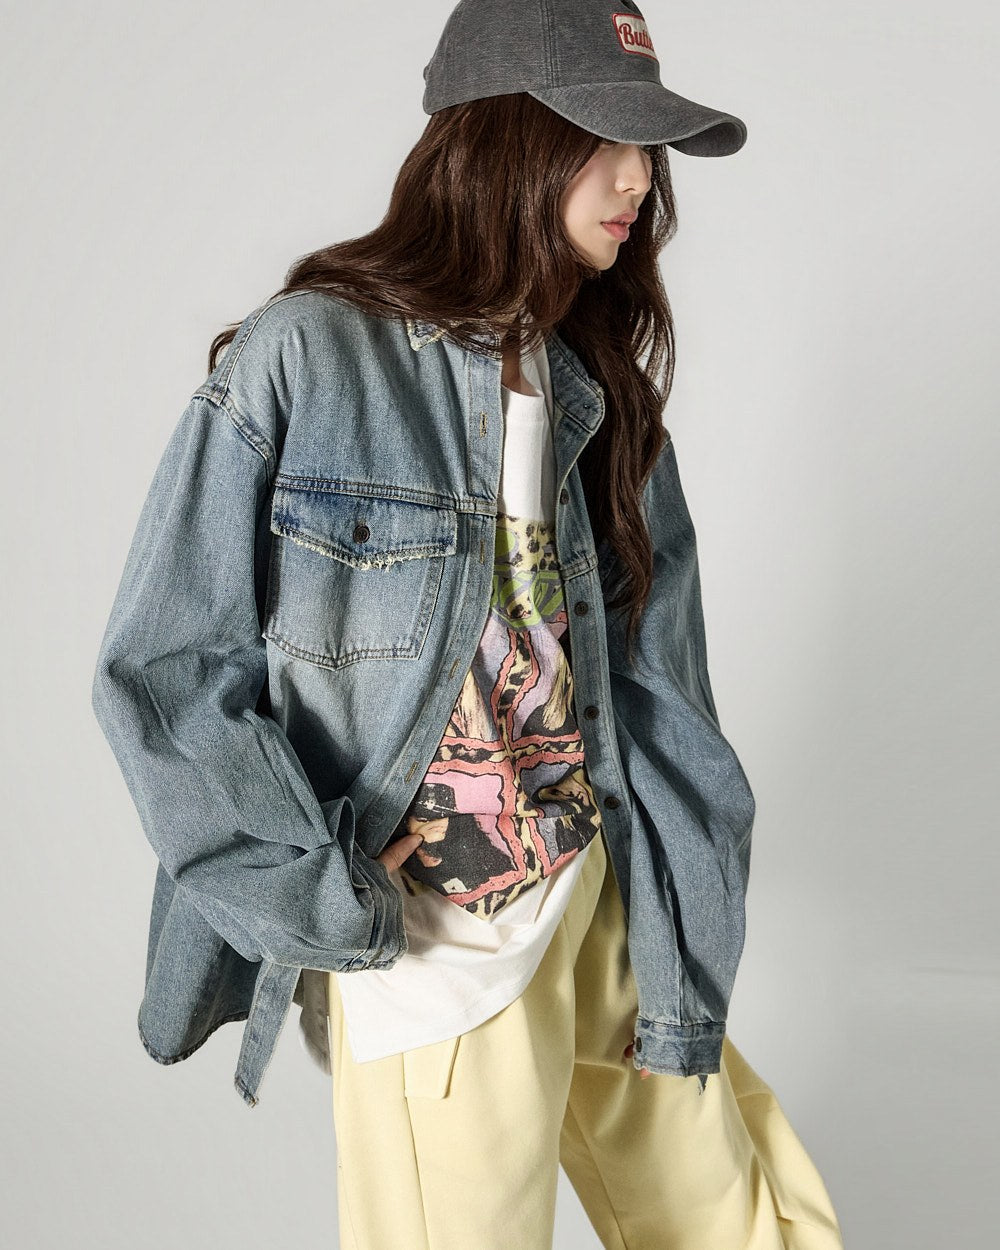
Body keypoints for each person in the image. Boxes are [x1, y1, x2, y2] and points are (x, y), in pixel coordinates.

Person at [91, 1, 846, 1246]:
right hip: (441, 945)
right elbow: (166, 668)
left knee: (752, 1221)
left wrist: (679, 923)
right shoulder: (307, 357)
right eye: (604, 137)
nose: (638, 179)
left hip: (597, 894)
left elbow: (664, 696)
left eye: (646, 146)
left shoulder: (594, 390)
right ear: (507, 137)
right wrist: (317, 887)